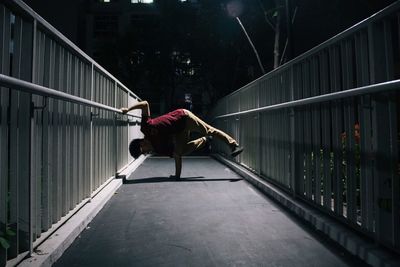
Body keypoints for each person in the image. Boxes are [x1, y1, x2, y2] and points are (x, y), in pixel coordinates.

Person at [120, 101, 243, 180]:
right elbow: (177, 155)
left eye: (143, 151)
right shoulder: (158, 148)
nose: (146, 153)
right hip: (179, 131)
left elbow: (145, 104)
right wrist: (177, 176)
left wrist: (127, 109)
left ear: (141, 143)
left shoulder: (145, 127)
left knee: (209, 130)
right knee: (181, 150)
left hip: (184, 117)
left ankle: (233, 145)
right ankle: (205, 141)